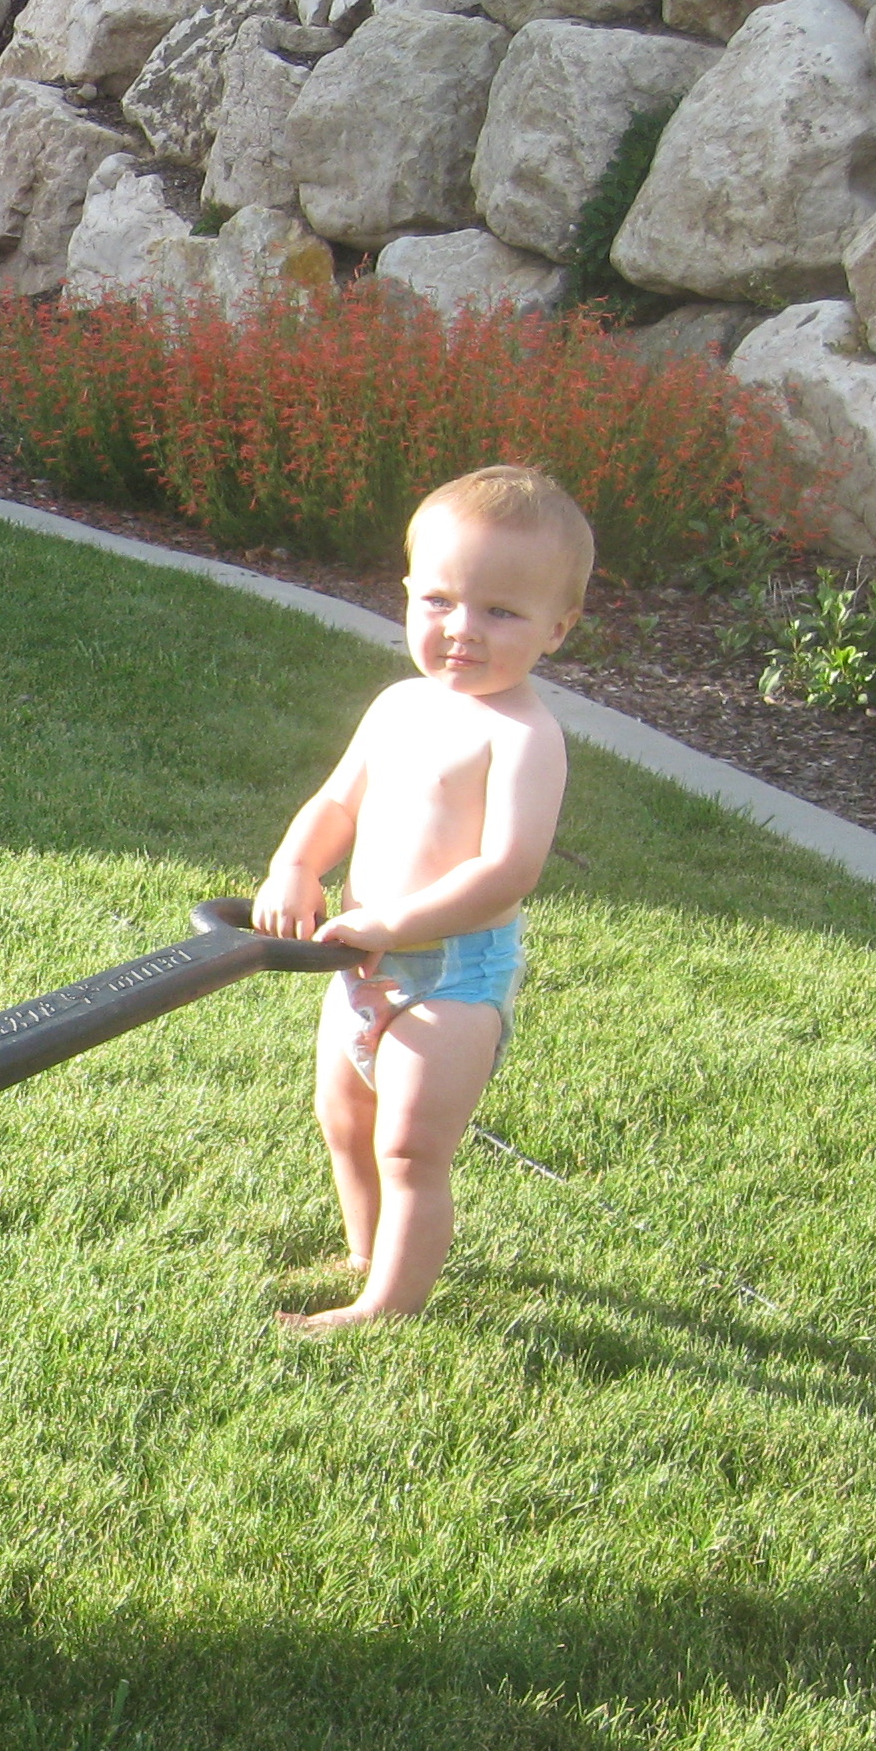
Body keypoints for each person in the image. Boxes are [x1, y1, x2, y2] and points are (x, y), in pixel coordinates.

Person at [251, 465, 589, 1333]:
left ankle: (385, 1306)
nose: (463, 630)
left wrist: (393, 923)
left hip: (450, 979)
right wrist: (297, 866)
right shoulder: (400, 704)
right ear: (407, 595)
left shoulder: (523, 736)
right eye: (439, 601)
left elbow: (507, 871)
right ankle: (367, 1251)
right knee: (344, 1118)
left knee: (410, 1148)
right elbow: (336, 803)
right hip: (359, 961)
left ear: (560, 627)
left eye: (501, 612)